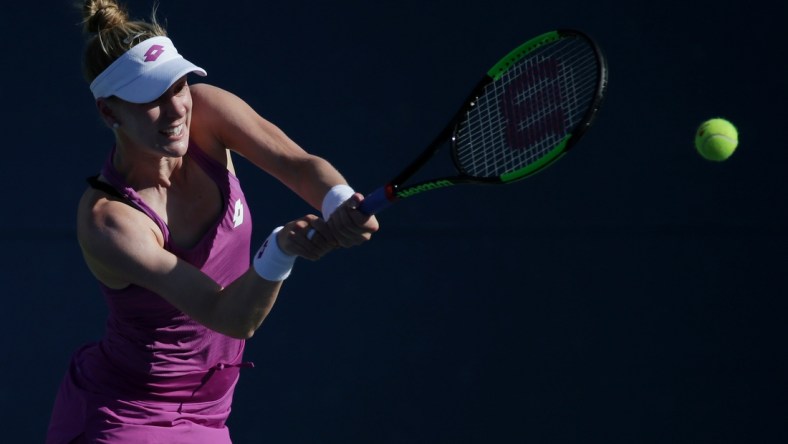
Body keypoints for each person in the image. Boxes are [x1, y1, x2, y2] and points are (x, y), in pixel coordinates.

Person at [46, 0, 379, 442]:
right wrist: (281, 248)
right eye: (150, 99)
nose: (176, 109)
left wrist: (339, 202)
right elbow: (230, 316)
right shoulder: (110, 220)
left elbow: (299, 166)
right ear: (110, 113)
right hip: (127, 413)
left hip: (210, 413)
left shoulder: (206, 110)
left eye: (178, 86)